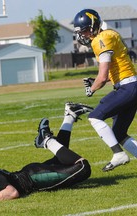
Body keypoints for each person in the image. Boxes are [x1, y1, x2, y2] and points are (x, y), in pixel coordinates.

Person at [73, 9, 137, 172]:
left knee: (95, 117)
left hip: (127, 87)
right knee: (118, 133)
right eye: (82, 32)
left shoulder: (100, 39)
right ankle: (119, 152)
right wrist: (96, 81)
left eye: (86, 30)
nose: (84, 35)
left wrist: (91, 89)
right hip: (130, 85)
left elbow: (102, 78)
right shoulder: (109, 35)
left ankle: (118, 154)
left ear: (94, 26)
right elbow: (112, 72)